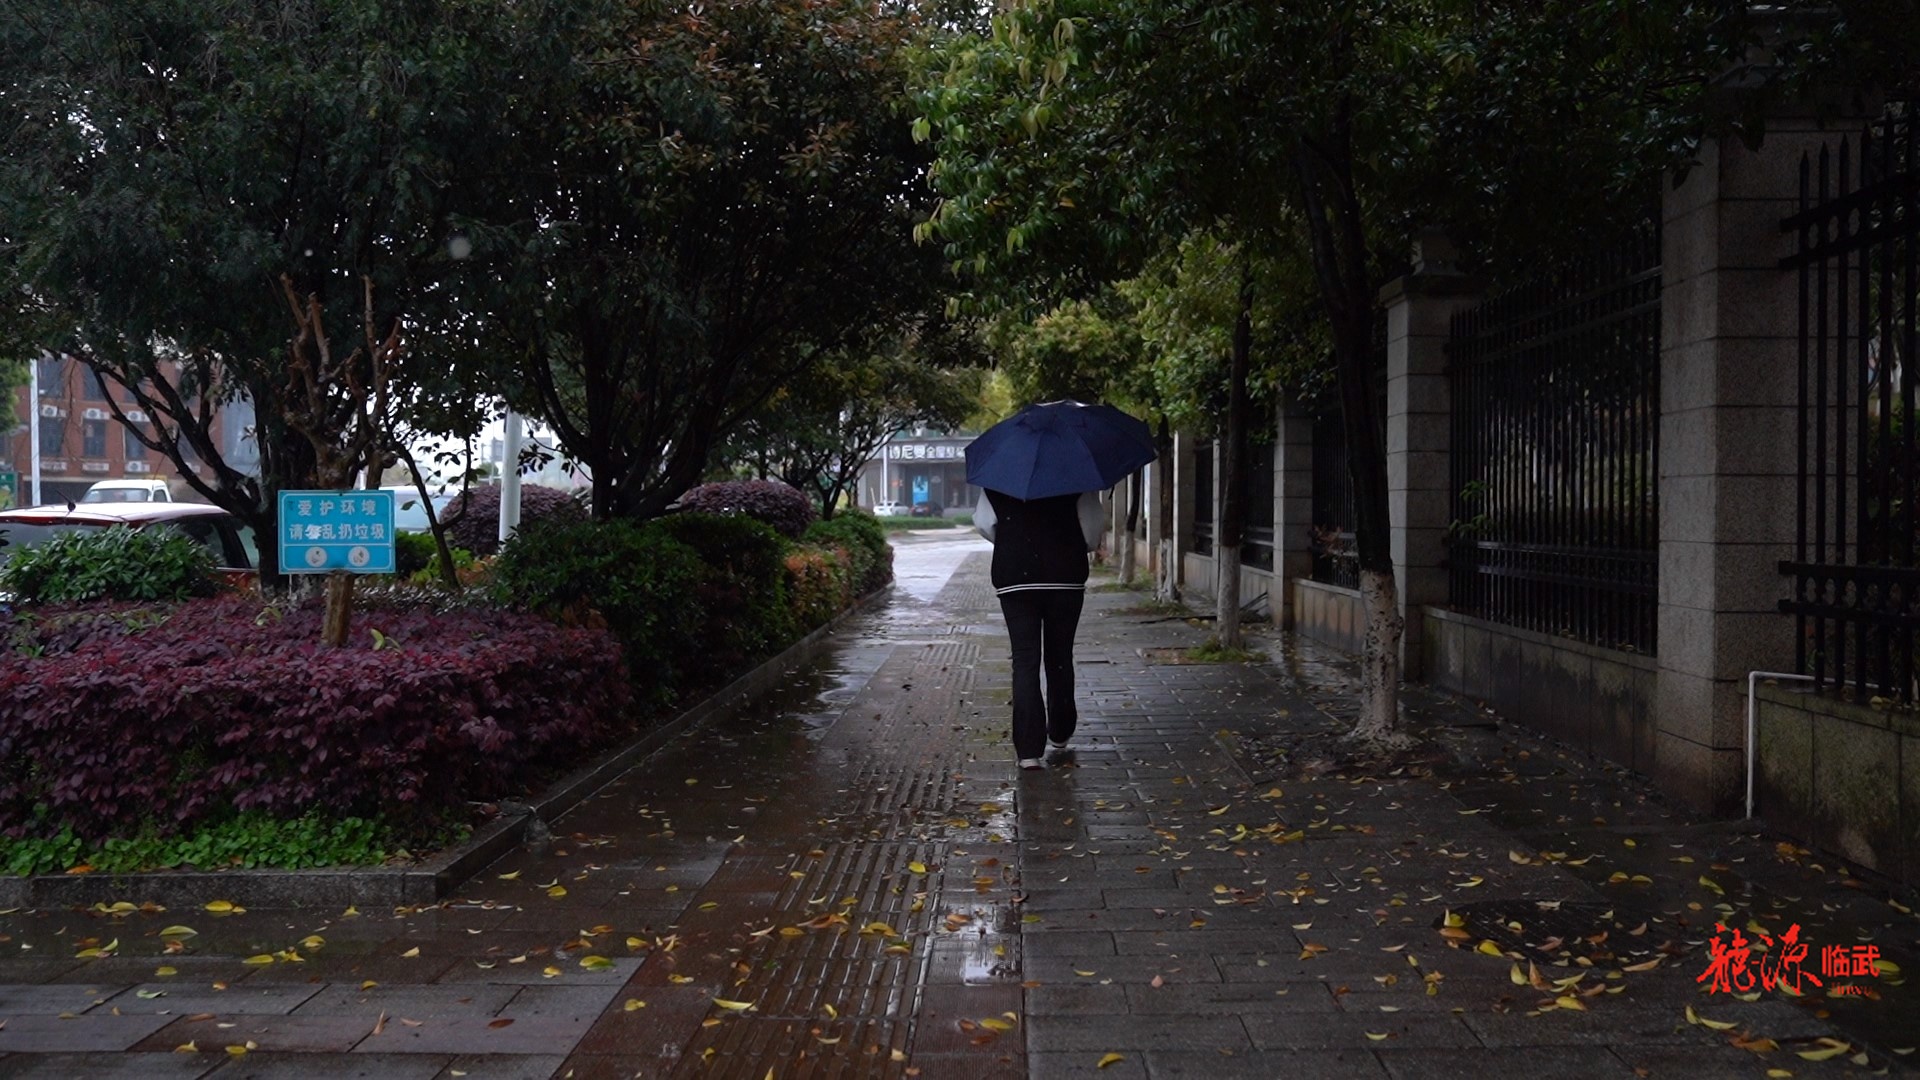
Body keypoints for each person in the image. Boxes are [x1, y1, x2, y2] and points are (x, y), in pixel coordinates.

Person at [974, 487, 1104, 770]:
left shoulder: (999, 477)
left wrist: (1015, 541)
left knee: (1024, 659)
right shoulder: (1076, 475)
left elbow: (985, 524)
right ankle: (1060, 731)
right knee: (1059, 654)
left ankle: (1028, 751)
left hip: (1015, 578)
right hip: (1065, 577)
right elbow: (1092, 531)